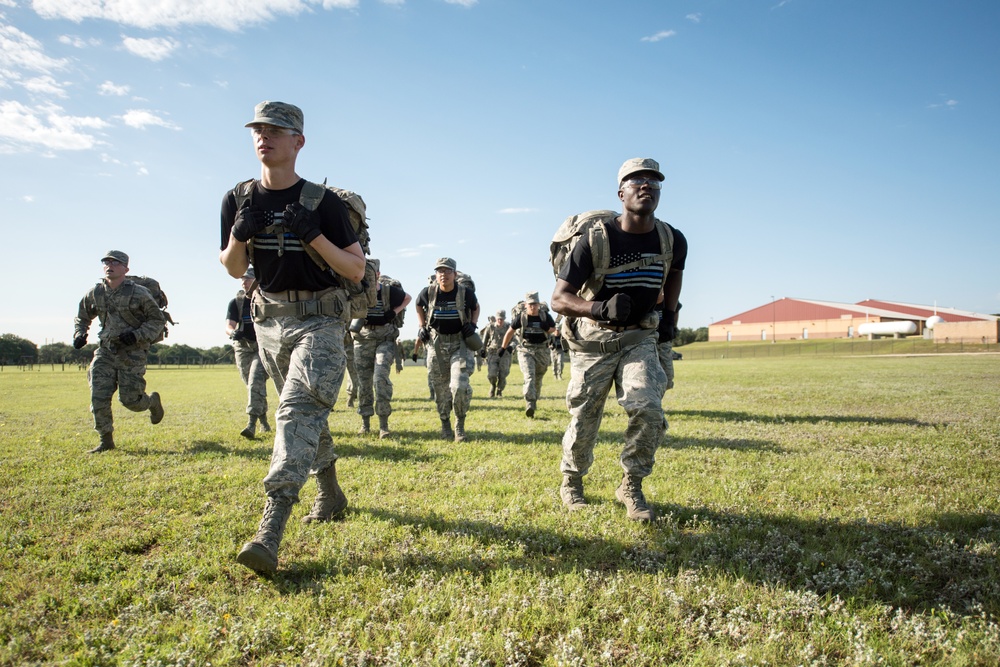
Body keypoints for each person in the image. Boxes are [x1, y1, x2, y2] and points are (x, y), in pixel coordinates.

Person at [219, 100, 366, 575]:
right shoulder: (238, 199)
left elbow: (356, 269)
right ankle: (331, 490)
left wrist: (314, 237)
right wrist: (238, 236)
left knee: (296, 410)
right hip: (269, 322)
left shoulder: (322, 202)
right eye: (258, 130)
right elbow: (234, 268)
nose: (265, 137)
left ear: (298, 142)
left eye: (276, 131)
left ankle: (271, 528)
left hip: (321, 320)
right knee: (306, 415)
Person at [551, 157, 687, 522]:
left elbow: (674, 274)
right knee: (584, 419)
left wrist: (669, 319)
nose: (646, 186)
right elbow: (559, 298)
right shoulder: (596, 240)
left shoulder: (671, 237)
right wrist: (597, 309)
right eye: (636, 180)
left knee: (648, 408)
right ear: (621, 192)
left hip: (641, 338)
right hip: (595, 341)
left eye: (653, 182)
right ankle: (572, 481)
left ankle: (631, 484)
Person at [73, 250, 165, 454]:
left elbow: (157, 320)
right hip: (105, 351)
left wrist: (137, 335)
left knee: (131, 400)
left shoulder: (139, 293)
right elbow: (82, 315)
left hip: (132, 352)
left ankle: (152, 402)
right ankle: (106, 440)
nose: (109, 265)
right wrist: (80, 333)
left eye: (115, 262)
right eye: (106, 262)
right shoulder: (96, 292)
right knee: (98, 395)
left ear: (126, 268)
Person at [414, 257, 480, 442]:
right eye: (440, 271)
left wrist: (473, 325)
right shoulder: (428, 292)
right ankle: (445, 423)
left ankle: (459, 425)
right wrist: (421, 326)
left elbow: (476, 307)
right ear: (436, 274)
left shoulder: (465, 293)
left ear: (455, 274)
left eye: (447, 271)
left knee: (459, 386)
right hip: (437, 345)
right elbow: (418, 305)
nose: (443, 275)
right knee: (441, 389)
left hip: (459, 344)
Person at [352, 269, 411, 438]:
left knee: (380, 379)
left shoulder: (388, 291)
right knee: (363, 383)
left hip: (385, 340)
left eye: (371, 273)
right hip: (362, 340)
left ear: (377, 274)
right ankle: (365, 424)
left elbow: (407, 297)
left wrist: (394, 312)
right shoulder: (357, 290)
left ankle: (384, 425)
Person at [225, 267, 272, 439]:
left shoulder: (267, 300)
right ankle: (264, 420)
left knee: (254, 381)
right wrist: (232, 333)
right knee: (252, 385)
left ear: (256, 281)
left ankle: (251, 424)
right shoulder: (236, 302)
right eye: (242, 279)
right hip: (243, 348)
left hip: (262, 347)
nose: (244, 282)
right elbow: (228, 325)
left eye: (247, 279)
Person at [501, 292, 557, 417]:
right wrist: (503, 347)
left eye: (535, 304)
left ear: (538, 304)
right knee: (529, 375)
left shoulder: (545, 316)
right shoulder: (521, 317)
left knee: (538, 377)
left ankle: (534, 398)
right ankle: (529, 403)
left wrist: (547, 328)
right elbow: (510, 332)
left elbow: (555, 330)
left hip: (542, 349)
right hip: (525, 349)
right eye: (530, 304)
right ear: (526, 305)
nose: (533, 307)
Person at [482, 309, 512, 398]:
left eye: (502, 319)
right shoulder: (490, 327)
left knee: (503, 374)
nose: (500, 321)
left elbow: (515, 340)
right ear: (496, 318)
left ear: (504, 319)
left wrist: (511, 346)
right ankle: (493, 386)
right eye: (498, 319)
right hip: (493, 353)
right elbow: (484, 340)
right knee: (492, 374)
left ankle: (499, 390)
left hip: (505, 353)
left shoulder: (508, 327)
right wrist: (482, 350)